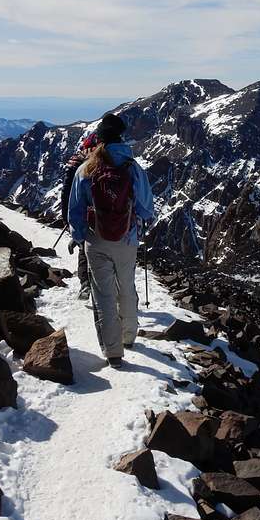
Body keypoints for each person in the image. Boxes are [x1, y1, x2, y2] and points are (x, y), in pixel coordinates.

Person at [67, 113, 154, 367]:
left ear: (99, 141)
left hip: (96, 240)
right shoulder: (133, 168)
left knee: (103, 294)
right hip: (127, 240)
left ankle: (114, 352)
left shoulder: (86, 169)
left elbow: (75, 210)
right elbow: (147, 209)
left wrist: (81, 236)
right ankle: (129, 336)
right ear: (120, 138)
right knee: (126, 286)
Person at [57, 132, 97, 300]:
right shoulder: (95, 164)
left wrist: (67, 218)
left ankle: (85, 284)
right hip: (94, 215)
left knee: (83, 248)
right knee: (88, 249)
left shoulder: (75, 164)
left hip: (80, 214)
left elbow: (66, 193)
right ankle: (90, 284)